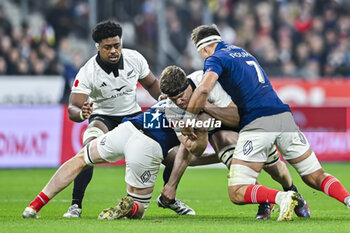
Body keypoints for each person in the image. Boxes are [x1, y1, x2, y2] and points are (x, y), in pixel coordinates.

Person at [179, 24, 350, 221]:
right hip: (284, 117)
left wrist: (189, 118)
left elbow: (202, 90)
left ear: (204, 49)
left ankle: (282, 197)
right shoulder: (242, 52)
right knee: (316, 175)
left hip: (257, 123)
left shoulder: (215, 58)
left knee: (237, 191)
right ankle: (347, 199)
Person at [62, 20, 194, 218]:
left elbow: (151, 84)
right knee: (87, 150)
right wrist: (82, 113)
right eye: (108, 47)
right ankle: (75, 206)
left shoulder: (134, 58)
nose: (114, 50)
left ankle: (168, 198)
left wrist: (163, 97)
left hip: (134, 117)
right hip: (103, 117)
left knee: (175, 157)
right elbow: (73, 106)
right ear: (97, 47)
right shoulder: (88, 71)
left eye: (117, 45)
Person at [158, 66, 310, 220]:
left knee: (275, 169)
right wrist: (202, 132)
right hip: (218, 132)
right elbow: (193, 150)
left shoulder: (205, 82)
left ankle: (292, 191)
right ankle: (264, 202)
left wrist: (204, 106)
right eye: (173, 99)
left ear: (188, 85)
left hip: (244, 121)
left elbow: (235, 116)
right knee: (238, 172)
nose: (179, 101)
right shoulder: (172, 110)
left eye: (182, 95)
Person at [21, 99, 209, 219]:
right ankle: (129, 207)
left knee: (80, 159)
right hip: (146, 145)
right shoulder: (189, 114)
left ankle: (33, 206)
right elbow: (189, 156)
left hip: (126, 130)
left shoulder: (166, 101)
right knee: (139, 208)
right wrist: (218, 156)